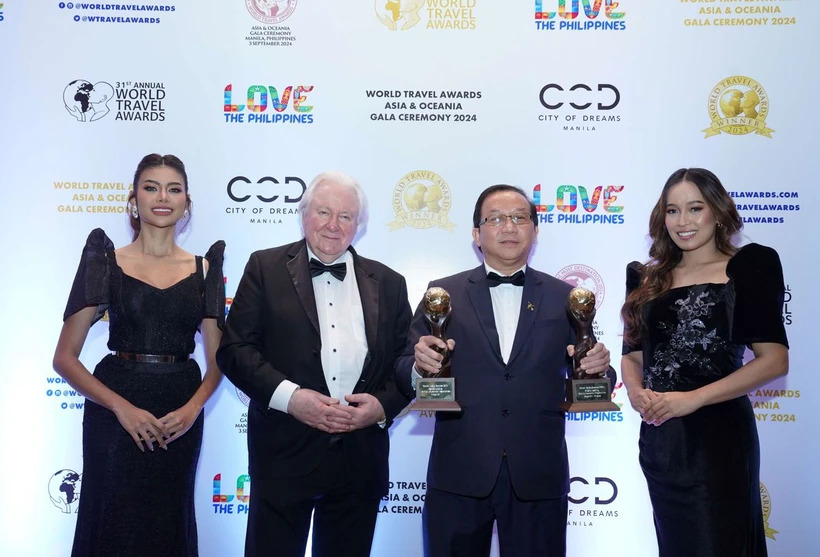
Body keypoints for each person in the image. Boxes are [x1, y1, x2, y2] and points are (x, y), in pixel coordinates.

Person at [396, 184, 613, 557]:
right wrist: (420, 367)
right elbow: (402, 368)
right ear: (476, 233)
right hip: (458, 472)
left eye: (519, 218)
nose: (509, 227)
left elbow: (590, 371)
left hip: (538, 474)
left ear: (535, 230)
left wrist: (599, 370)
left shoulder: (566, 297)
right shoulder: (442, 293)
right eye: (495, 219)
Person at [216, 171, 412, 557]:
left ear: (359, 225)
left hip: (359, 460)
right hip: (283, 453)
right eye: (323, 212)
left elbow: (405, 364)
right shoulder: (264, 267)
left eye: (346, 216)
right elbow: (234, 350)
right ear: (304, 215)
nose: (333, 225)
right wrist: (291, 399)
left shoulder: (390, 282)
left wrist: (380, 408)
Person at [53, 153, 225, 556]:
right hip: (114, 412)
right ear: (134, 199)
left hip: (178, 415)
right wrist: (121, 408)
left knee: (169, 520)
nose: (162, 197)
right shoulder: (105, 262)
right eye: (151, 187)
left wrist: (192, 409)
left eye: (173, 189)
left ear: (186, 202)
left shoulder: (205, 269)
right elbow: (64, 357)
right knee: (111, 520)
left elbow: (219, 361)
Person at [620, 168, 789, 557]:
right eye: (673, 210)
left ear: (717, 210)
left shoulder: (749, 266)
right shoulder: (646, 278)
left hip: (718, 441)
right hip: (662, 442)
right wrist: (635, 391)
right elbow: (633, 356)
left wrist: (692, 399)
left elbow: (774, 361)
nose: (683, 221)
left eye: (695, 208)